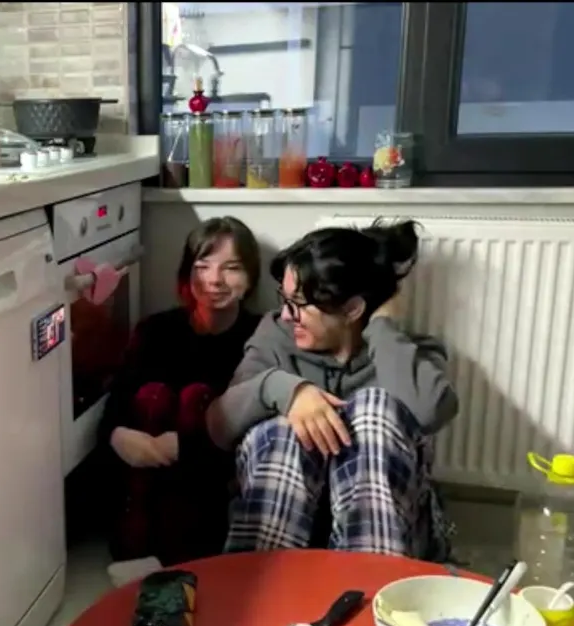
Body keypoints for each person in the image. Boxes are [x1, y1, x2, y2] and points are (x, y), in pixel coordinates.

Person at [206, 219, 458, 561]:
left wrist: (383, 326)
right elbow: (218, 425)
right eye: (284, 299)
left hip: (386, 535)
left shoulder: (406, 352)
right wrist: (286, 390)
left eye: (298, 303)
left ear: (352, 309)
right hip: (288, 530)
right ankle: (262, 580)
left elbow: (431, 412)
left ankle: (369, 579)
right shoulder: (276, 335)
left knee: (373, 408)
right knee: (283, 432)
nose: (286, 314)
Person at [100, 216, 262, 566]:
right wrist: (119, 435)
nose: (214, 280)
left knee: (197, 400)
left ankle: (180, 553)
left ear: (250, 277)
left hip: (213, 490)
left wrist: (187, 447)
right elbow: (117, 401)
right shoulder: (156, 329)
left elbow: (255, 429)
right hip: (143, 483)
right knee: (153, 397)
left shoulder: (261, 337)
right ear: (187, 273)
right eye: (202, 266)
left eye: (231, 268)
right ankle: (136, 542)